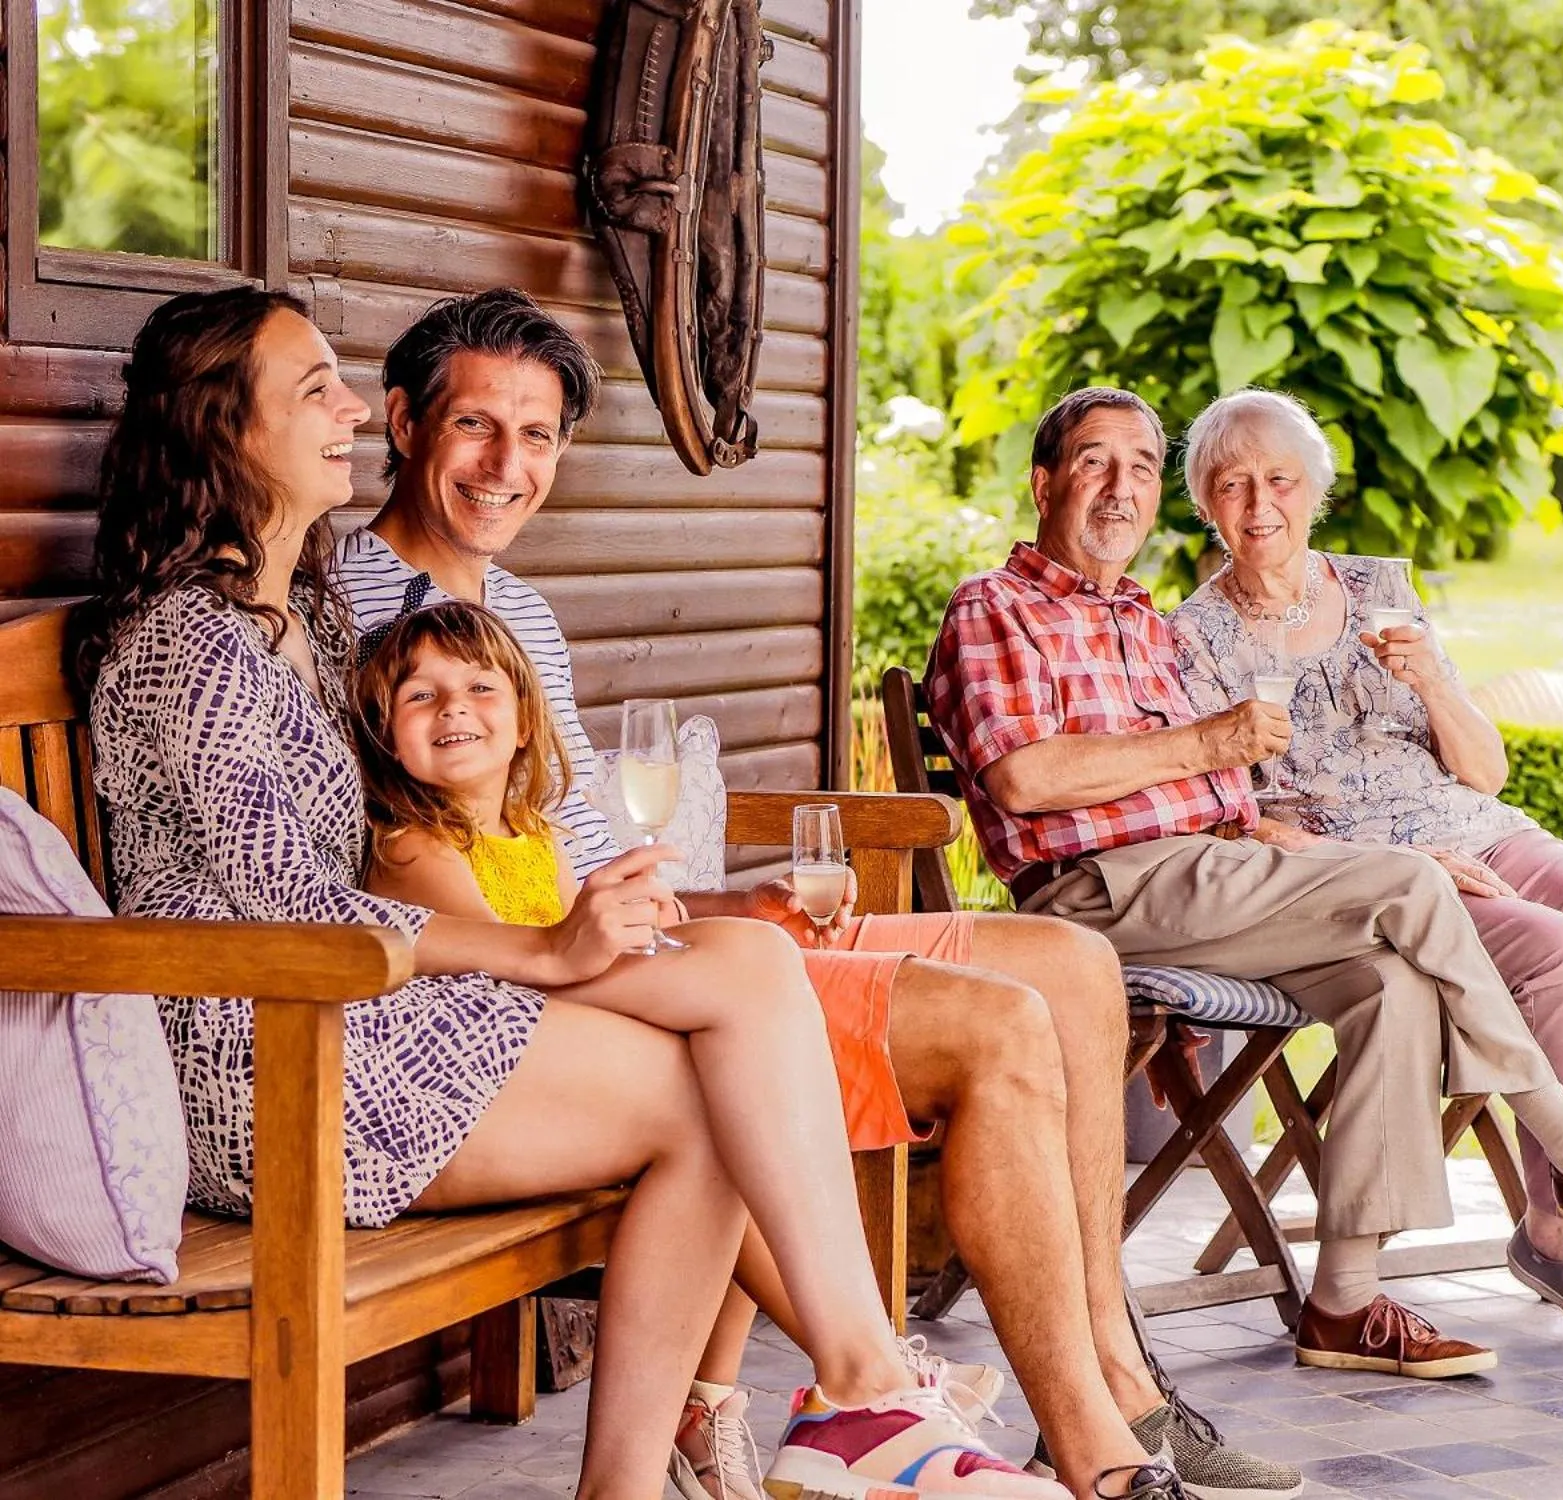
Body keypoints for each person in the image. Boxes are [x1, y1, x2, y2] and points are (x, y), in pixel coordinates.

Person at [73, 284, 1073, 1500]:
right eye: (314, 388)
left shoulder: (303, 618)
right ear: (227, 431)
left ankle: (821, 1407)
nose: (345, 407)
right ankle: (842, 1405)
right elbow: (294, 907)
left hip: (365, 1016)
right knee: (717, 1082)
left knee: (746, 993)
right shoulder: (191, 647)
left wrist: (605, 921)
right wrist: (547, 951)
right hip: (271, 1060)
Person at [331, 288, 1295, 1500]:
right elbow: (428, 870)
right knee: (995, 1022)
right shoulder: (345, 621)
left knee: (1067, 964)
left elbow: (566, 835)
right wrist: (660, 931)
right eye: (478, 428)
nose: (506, 466)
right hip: (567, 987)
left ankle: (1115, 1373)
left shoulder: (512, 609)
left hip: (642, 932)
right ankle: (1097, 1453)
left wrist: (730, 901)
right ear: (403, 421)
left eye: (535, 437)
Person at [924, 385, 1563, 1381]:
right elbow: (1023, 777)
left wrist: (1284, 825)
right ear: (1044, 480)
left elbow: (1232, 794)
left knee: (1391, 984)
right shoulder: (995, 608)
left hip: (1223, 871)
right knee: (1407, 888)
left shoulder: (1140, 621)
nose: (1119, 488)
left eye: (1139, 466)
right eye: (1094, 462)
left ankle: (1342, 1303)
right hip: (1101, 889)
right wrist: (1221, 761)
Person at [1165, 387, 1563, 1354]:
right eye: (1232, 485)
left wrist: (1435, 683)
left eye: (1278, 479)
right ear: (1204, 502)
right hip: (1375, 876)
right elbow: (1244, 827)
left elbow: (1485, 771)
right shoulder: (1192, 641)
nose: (1259, 504)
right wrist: (1409, 861)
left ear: (1314, 489)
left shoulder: (1378, 592)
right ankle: (1559, 1234)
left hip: (1482, 827)